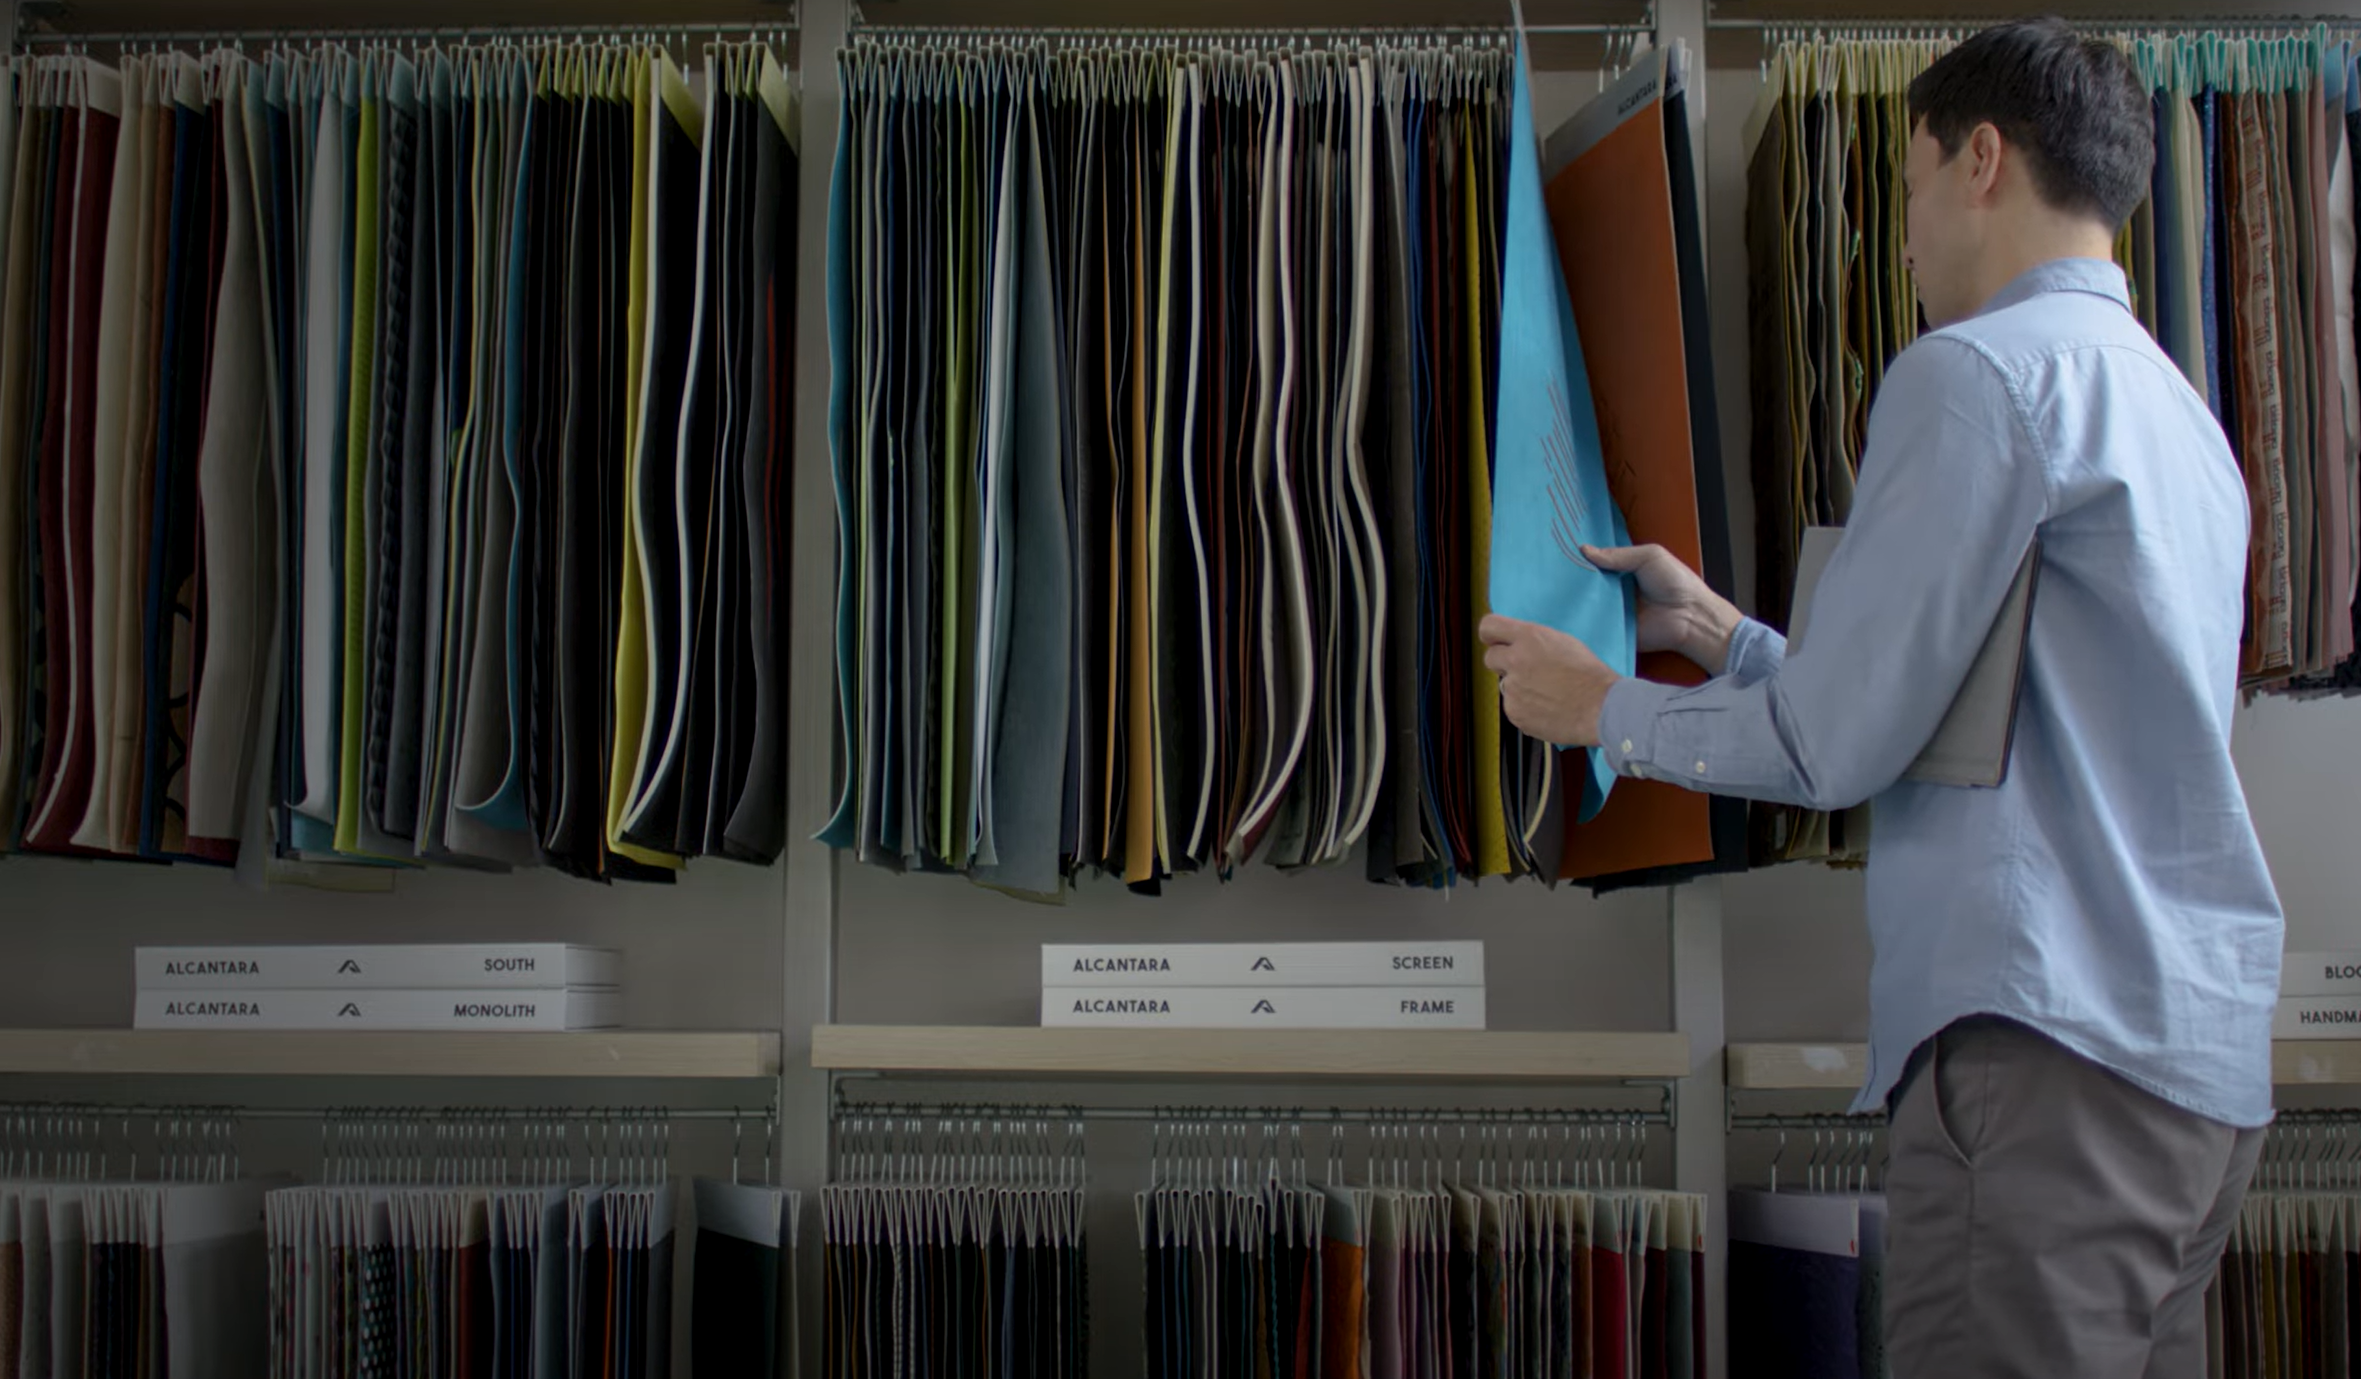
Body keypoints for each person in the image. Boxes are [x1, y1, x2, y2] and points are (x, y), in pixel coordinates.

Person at [1478, 19, 2282, 1379]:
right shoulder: (2180, 421)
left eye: (1905, 185)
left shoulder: (1972, 379)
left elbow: (1835, 747)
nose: (1898, 236)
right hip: (2192, 1080)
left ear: (1982, 160)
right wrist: (1730, 636)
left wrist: (1601, 704)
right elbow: (1988, 723)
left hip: (2044, 1071)